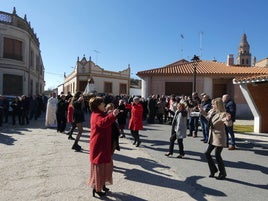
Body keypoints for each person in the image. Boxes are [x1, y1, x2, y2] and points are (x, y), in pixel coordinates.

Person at [88, 96, 120, 197]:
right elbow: (103, 123)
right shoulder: (97, 115)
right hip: (99, 145)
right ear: (98, 106)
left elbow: (106, 119)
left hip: (103, 144)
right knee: (100, 167)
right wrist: (112, 115)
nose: (104, 105)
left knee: (106, 165)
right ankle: (97, 188)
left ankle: (101, 184)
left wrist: (111, 114)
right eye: (102, 104)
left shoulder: (100, 113)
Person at [199, 97, 231, 180]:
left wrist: (228, 120)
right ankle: (213, 170)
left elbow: (228, 123)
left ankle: (222, 173)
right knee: (207, 153)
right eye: (212, 104)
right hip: (212, 136)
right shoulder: (213, 112)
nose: (212, 105)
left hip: (219, 137)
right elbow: (208, 119)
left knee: (217, 155)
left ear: (218, 105)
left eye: (213, 104)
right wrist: (202, 111)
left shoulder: (223, 114)